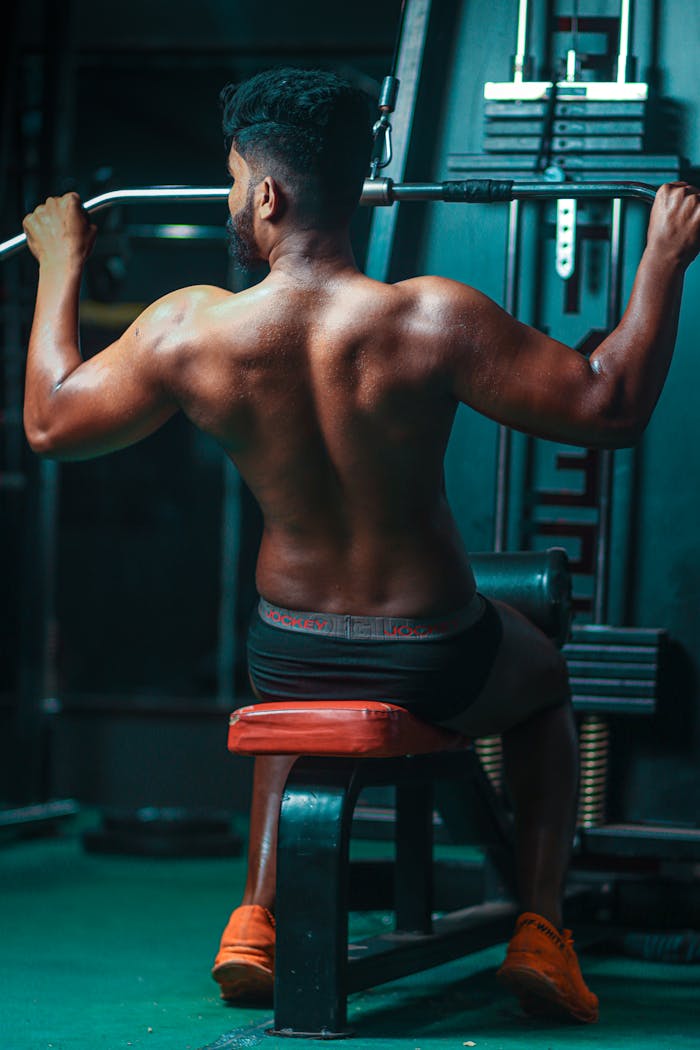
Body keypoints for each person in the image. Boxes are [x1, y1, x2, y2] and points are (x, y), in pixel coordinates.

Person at [21, 67, 700, 1025]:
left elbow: (49, 422)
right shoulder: (430, 317)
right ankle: (542, 929)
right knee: (545, 674)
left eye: (229, 181)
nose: (228, 199)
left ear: (266, 193)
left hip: (289, 646)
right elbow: (611, 404)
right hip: (433, 655)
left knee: (289, 679)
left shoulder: (190, 329)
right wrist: (664, 259)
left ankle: (253, 918)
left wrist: (59, 262)